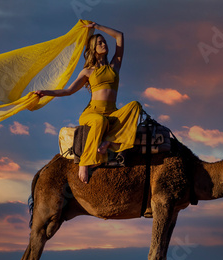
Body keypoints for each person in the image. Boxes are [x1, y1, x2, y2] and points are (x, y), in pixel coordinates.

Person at [35, 22, 142, 184]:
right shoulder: (87, 71)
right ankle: (85, 162)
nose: (104, 44)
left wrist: (97, 26)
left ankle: (108, 143)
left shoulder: (114, 66)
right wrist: (45, 92)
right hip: (92, 113)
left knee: (135, 105)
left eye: (104, 41)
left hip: (112, 112)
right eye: (99, 43)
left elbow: (119, 36)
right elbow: (68, 91)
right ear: (93, 49)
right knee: (100, 120)